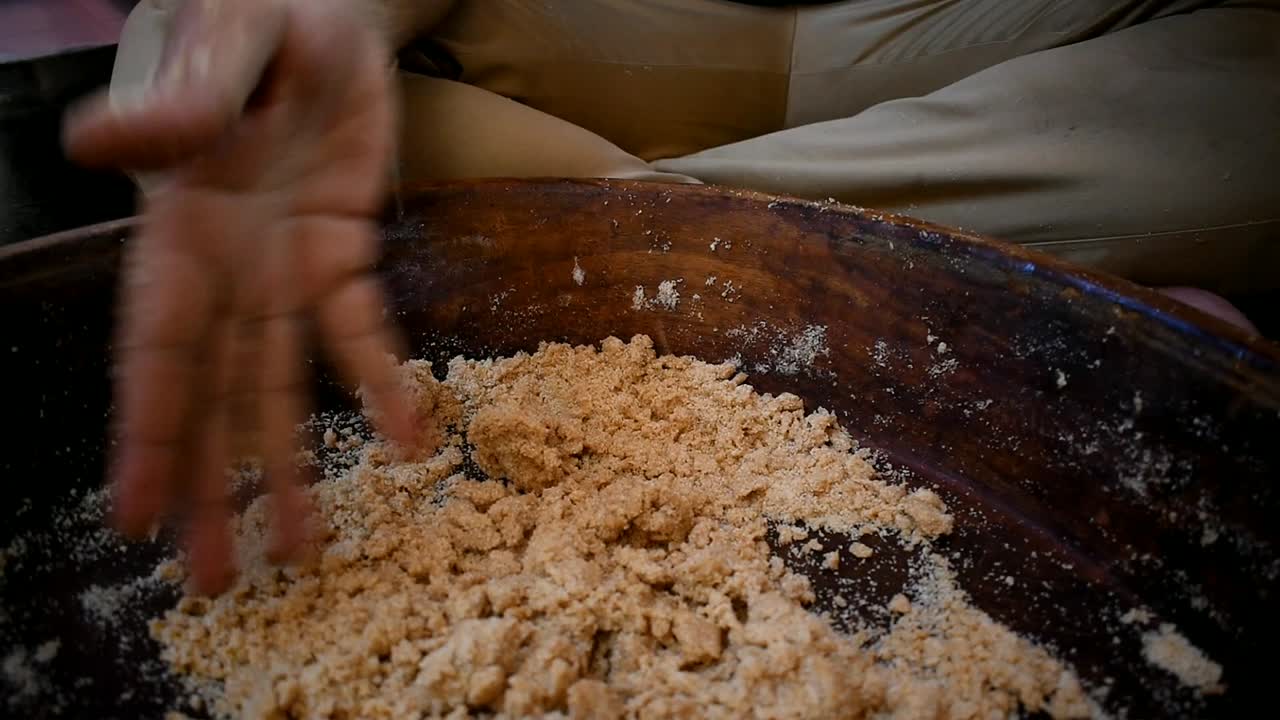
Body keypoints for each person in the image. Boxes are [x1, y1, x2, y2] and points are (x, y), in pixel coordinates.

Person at [63, 0, 1279, 594]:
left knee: (1242, 117)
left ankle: (595, 221)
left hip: (963, 20)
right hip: (601, 20)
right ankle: (848, 255)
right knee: (195, 51)